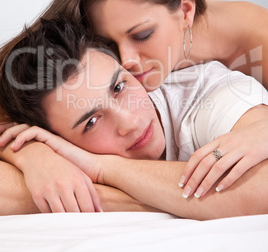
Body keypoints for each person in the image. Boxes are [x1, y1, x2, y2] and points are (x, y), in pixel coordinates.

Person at [1, 0, 268, 197]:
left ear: (186, 11)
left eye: (142, 35)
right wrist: (33, 154)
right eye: (107, 43)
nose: (126, 59)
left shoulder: (255, 38)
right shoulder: (100, 63)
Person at [0, 17, 268, 219]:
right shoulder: (48, 150)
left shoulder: (209, 92)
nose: (128, 122)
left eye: (119, 87)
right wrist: (30, 153)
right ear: (56, 141)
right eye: (91, 122)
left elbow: (262, 189)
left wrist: (103, 170)